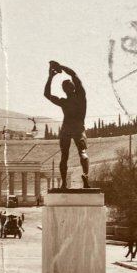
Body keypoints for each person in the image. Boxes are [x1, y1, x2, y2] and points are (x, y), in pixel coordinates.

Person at [43, 60, 90, 189]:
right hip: (78, 127)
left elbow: (47, 94)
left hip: (66, 128)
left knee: (64, 156)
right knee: (83, 152)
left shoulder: (63, 102)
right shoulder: (81, 97)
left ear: (64, 90)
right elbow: (74, 74)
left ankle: (64, 183)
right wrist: (61, 67)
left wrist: (50, 77)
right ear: (73, 87)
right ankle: (85, 175)